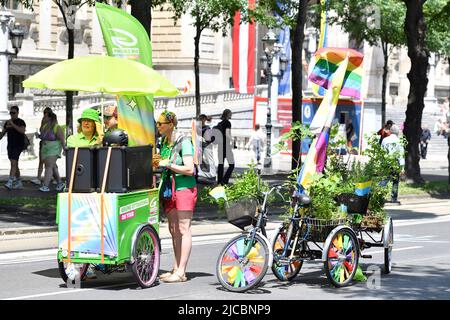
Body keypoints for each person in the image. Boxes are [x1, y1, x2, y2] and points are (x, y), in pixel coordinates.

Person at [153, 110, 197, 283]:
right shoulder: (164, 142)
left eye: (161, 123)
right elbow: (164, 164)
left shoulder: (184, 141)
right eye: (157, 123)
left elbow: (189, 169)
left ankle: (181, 272)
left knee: (184, 228)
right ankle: (176, 268)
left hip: (184, 188)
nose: (158, 126)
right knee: (173, 229)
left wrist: (168, 164)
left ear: (171, 124)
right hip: (168, 188)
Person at [0, 106, 26, 190]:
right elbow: (2, 133)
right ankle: (19, 182)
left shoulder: (20, 122)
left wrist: (13, 124)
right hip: (10, 145)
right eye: (11, 113)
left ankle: (10, 182)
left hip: (18, 145)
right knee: (15, 164)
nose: (12, 114)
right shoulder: (7, 123)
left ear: (17, 113)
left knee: (13, 163)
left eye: (13, 113)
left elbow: (22, 131)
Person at [38, 112, 66, 192]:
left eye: (45, 116)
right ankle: (60, 183)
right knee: (52, 166)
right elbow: (43, 136)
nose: (43, 118)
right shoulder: (44, 126)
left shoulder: (57, 127)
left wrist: (64, 149)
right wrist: (39, 135)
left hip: (54, 149)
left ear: (50, 118)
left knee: (48, 166)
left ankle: (45, 186)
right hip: (45, 148)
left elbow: (62, 139)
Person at [381, 125, 405, 205]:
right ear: (398, 132)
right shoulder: (399, 141)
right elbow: (401, 155)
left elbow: (382, 152)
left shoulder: (385, 140)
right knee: (395, 181)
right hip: (395, 163)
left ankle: (380, 196)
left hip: (386, 162)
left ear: (390, 131)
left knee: (384, 180)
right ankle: (393, 198)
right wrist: (402, 168)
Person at [214, 109, 235, 185]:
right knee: (232, 165)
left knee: (220, 164)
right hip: (226, 146)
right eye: (230, 114)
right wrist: (233, 140)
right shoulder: (228, 123)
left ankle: (219, 181)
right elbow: (227, 134)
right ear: (227, 114)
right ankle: (225, 180)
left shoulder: (220, 123)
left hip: (220, 146)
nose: (231, 115)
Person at [197, 114, 216, 182]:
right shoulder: (199, 128)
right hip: (202, 146)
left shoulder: (207, 128)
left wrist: (205, 141)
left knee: (209, 160)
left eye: (201, 119)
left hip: (207, 146)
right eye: (199, 119)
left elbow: (210, 138)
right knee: (202, 160)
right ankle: (204, 173)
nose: (200, 120)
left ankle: (213, 175)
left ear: (205, 119)